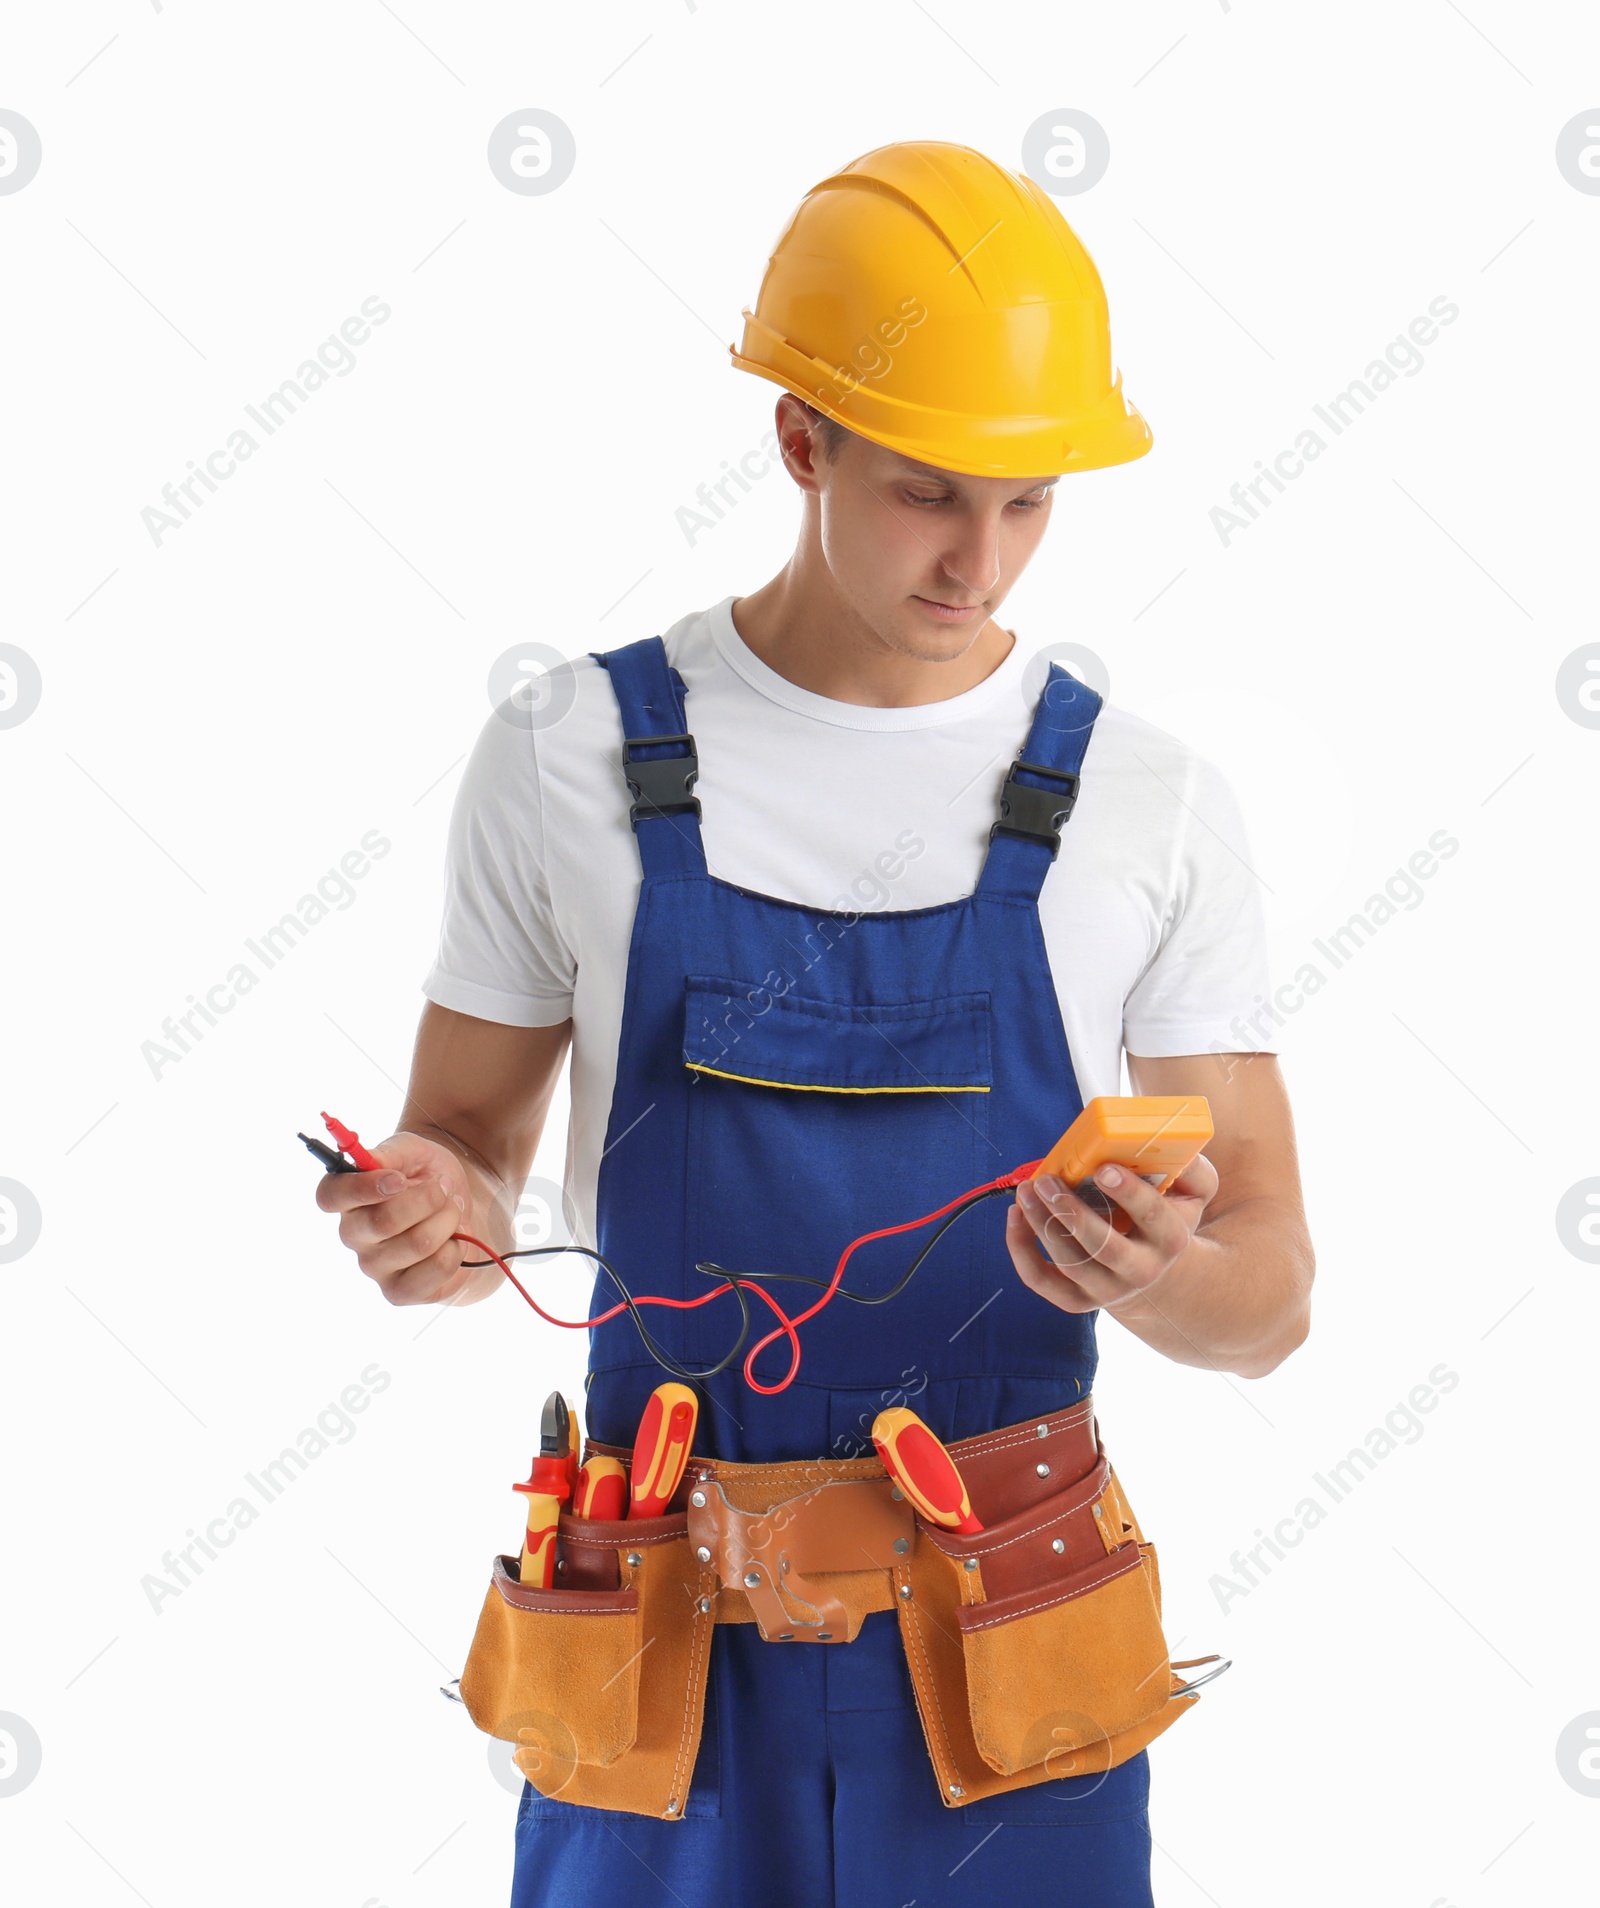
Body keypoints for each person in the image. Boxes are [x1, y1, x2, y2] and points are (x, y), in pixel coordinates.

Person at [315, 139, 1313, 1907]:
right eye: (933, 493)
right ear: (802, 443)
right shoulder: (566, 755)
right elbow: (461, 1159)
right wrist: (429, 1211)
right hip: (659, 1653)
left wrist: (1155, 1273)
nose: (982, 564)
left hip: (1014, 1662)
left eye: (1031, 503)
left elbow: (1272, 1298)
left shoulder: (1145, 802)